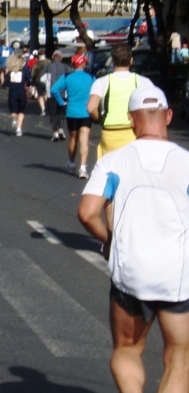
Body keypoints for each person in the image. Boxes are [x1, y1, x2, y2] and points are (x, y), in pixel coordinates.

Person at [78, 85, 189, 393]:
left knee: (127, 349)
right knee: (180, 358)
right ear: (168, 116)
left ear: (130, 119)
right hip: (178, 276)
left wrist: (109, 241)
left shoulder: (113, 162)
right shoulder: (187, 162)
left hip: (131, 273)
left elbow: (87, 213)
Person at [86, 43, 153, 160]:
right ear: (131, 60)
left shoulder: (102, 82)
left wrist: (98, 119)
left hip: (110, 132)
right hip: (134, 132)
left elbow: (91, 108)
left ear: (112, 61)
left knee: (110, 169)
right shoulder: (143, 82)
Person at [51, 54, 95, 178]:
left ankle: (71, 163)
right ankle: (83, 168)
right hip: (86, 111)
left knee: (73, 139)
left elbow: (54, 89)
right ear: (82, 64)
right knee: (84, 139)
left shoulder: (67, 77)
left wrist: (61, 101)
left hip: (72, 111)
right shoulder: (91, 77)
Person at [42, 50, 70, 141]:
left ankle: (55, 131)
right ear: (61, 58)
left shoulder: (48, 67)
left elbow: (42, 79)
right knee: (61, 113)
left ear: (52, 57)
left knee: (53, 113)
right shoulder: (66, 67)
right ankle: (61, 129)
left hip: (51, 94)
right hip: (63, 93)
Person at [4, 53, 31, 137]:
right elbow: (30, 81)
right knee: (21, 111)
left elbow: (5, 84)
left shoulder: (10, 73)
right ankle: (19, 128)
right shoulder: (25, 72)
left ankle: (14, 120)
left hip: (12, 93)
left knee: (13, 111)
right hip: (22, 93)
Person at [30, 52, 51, 116]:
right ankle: (48, 107)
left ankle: (43, 109)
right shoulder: (49, 62)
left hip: (39, 80)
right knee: (46, 94)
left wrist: (32, 80)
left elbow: (33, 72)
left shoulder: (37, 63)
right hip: (48, 80)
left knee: (40, 95)